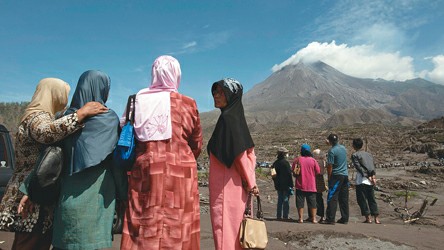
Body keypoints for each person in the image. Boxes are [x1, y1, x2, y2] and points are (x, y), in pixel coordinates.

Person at [0, 78, 107, 250]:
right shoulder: (37, 117)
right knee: (29, 243)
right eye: (63, 94)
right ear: (54, 95)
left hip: (39, 188)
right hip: (33, 191)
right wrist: (79, 115)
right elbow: (46, 133)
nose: (65, 99)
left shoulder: (43, 116)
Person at [121, 55, 203, 250]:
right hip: (181, 174)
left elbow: (124, 131)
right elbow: (197, 142)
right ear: (176, 75)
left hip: (146, 171)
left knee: (144, 221)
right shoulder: (188, 103)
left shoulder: (136, 100)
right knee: (180, 222)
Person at [51, 70, 126, 249]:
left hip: (66, 199)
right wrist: (125, 194)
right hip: (98, 200)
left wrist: (29, 189)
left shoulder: (65, 119)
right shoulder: (109, 119)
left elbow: (49, 155)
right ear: (103, 90)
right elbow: (117, 164)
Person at [208, 78, 259, 250]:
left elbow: (239, 155)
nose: (216, 95)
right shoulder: (235, 118)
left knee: (227, 233)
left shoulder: (228, 119)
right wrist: (250, 182)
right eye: (215, 91)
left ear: (232, 95)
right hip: (236, 188)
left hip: (227, 189)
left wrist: (251, 183)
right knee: (237, 233)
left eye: (222, 92)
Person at [321, 133, 349, 225]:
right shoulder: (343, 149)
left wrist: (329, 178)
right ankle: (345, 218)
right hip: (345, 175)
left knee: (332, 197)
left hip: (336, 175)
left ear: (329, 141)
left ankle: (330, 218)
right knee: (344, 197)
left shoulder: (332, 151)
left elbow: (330, 166)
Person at [351, 138, 380, 224]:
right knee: (372, 199)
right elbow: (372, 167)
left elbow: (359, 167)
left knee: (362, 199)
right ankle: (376, 218)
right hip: (370, 180)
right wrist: (372, 176)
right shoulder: (369, 154)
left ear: (354, 146)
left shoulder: (355, 155)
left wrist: (367, 176)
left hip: (362, 180)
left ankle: (368, 217)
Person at [291, 144, 320, 223]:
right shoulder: (313, 160)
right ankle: (314, 218)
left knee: (300, 203)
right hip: (311, 185)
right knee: (313, 203)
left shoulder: (298, 160)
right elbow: (318, 171)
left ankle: (300, 218)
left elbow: (294, 172)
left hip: (300, 184)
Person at [272, 147, 294, 221]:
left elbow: (273, 175)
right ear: (284, 154)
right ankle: (285, 216)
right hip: (285, 184)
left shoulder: (275, 163)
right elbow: (289, 174)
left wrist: (275, 182)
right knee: (285, 200)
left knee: (280, 200)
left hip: (278, 184)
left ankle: (278, 215)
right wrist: (291, 184)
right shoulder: (285, 163)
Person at [313, 148, 327, 222]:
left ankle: (313, 216)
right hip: (321, 182)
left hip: (315, 181)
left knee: (313, 199)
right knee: (319, 199)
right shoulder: (323, 162)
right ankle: (322, 216)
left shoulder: (315, 162)